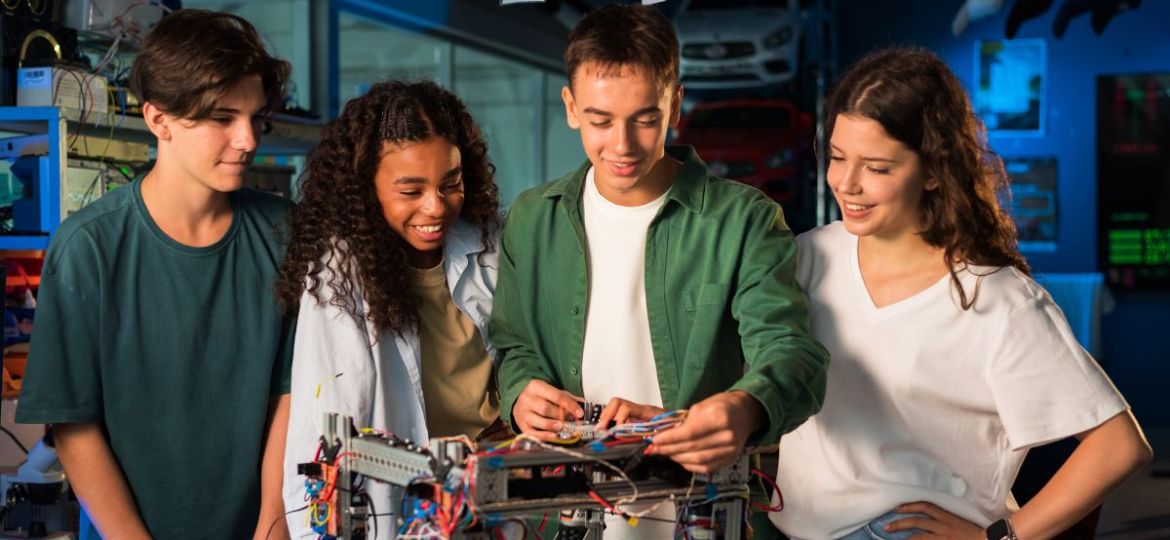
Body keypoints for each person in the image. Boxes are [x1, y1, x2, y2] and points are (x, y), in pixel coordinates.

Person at [770, 47, 1152, 540]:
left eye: (878, 168)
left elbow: (1119, 445)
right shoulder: (807, 256)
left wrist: (1002, 537)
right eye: (839, 157)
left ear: (933, 170)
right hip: (793, 528)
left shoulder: (997, 300)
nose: (847, 183)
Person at [489, 4, 829, 537]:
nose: (622, 146)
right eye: (600, 120)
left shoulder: (745, 221)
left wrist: (746, 407)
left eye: (645, 119)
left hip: (702, 517)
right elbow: (513, 345)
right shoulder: (533, 220)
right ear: (571, 107)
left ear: (675, 106)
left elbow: (792, 352)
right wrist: (520, 391)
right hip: (569, 517)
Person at [14, 9, 295, 539]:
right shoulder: (88, 249)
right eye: (221, 118)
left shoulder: (285, 233)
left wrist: (273, 523)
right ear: (158, 118)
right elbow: (73, 425)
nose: (248, 139)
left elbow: (291, 393)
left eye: (256, 118)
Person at [275, 80, 503, 538]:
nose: (435, 207)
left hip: (489, 481)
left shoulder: (488, 240)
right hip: (403, 503)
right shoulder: (339, 274)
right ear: (366, 187)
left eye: (450, 184)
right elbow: (323, 431)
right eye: (411, 190)